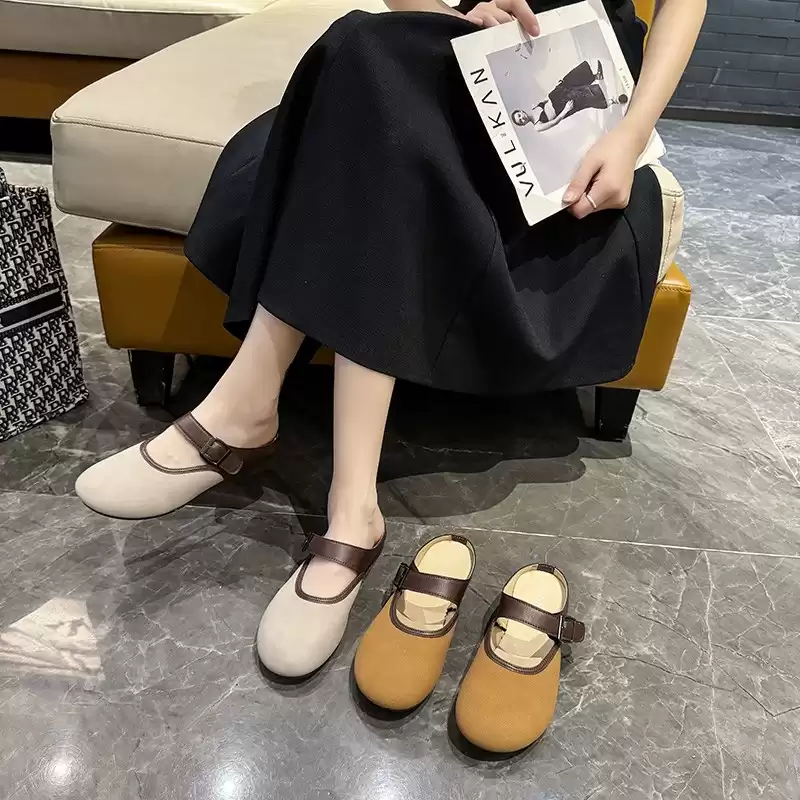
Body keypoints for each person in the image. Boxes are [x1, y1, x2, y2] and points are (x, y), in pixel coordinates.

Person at [75, 0, 706, 677]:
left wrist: (633, 131)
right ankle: (345, 506)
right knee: (367, 49)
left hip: (572, 75)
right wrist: (446, 9)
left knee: (374, 88)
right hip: (459, 46)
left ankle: (255, 421)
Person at [511, 60, 629, 132]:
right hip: (561, 107)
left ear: (521, 111)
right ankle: (613, 101)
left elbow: (546, 100)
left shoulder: (534, 108)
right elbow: (554, 122)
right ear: (523, 124)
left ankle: (596, 76)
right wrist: (566, 110)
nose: (522, 118)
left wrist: (555, 87)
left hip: (556, 95)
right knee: (583, 98)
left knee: (571, 80)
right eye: (520, 121)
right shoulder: (537, 127)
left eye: (519, 115)